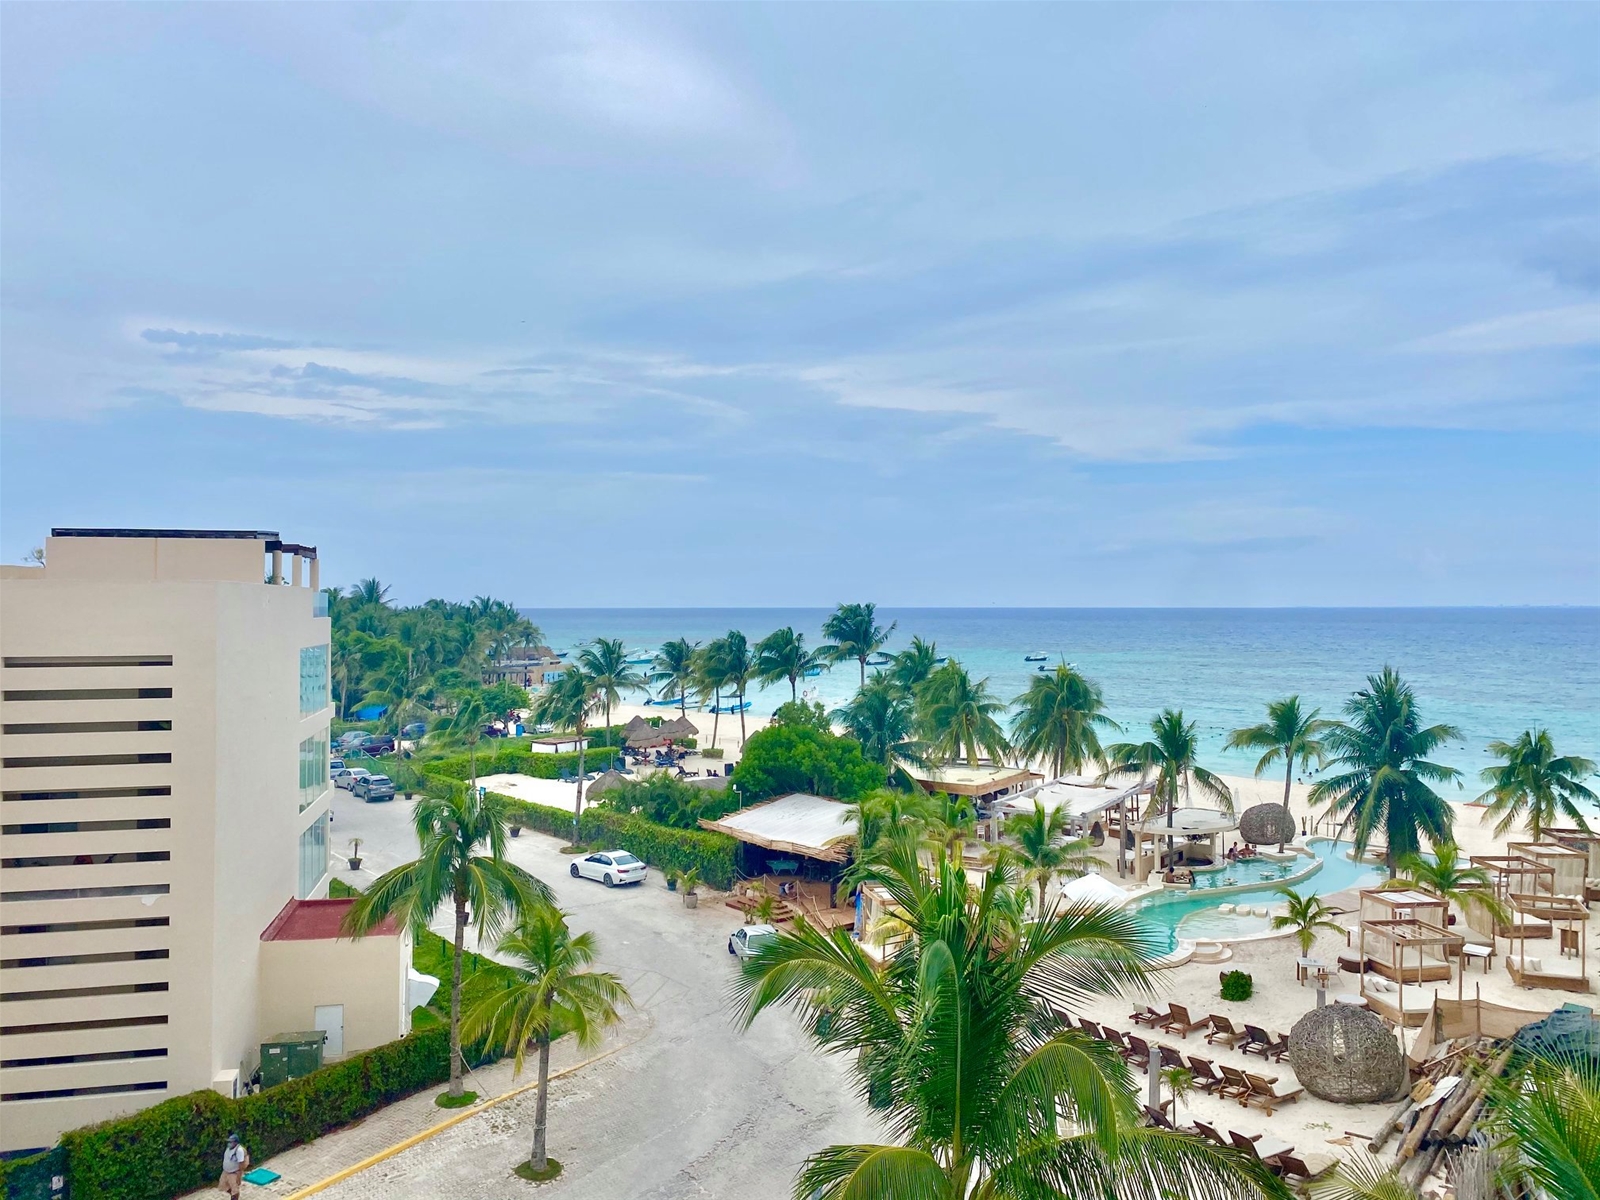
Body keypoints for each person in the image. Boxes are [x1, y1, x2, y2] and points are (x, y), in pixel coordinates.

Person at [220, 1132, 250, 1198]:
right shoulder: (228, 1148)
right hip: (226, 1171)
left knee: (234, 1190)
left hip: (233, 1173)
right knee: (223, 1186)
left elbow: (241, 1163)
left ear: (236, 1142)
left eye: (231, 1142)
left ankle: (234, 1196)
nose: (229, 1143)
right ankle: (233, 1195)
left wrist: (239, 1174)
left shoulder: (239, 1150)